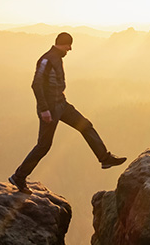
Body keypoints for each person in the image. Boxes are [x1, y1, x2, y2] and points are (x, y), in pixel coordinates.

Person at [9, 32, 126, 194]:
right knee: (44, 145)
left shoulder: (56, 58)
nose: (70, 49)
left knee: (85, 125)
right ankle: (19, 177)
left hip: (62, 105)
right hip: (50, 108)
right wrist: (44, 109)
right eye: (68, 45)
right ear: (62, 44)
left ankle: (105, 159)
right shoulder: (46, 60)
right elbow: (36, 85)